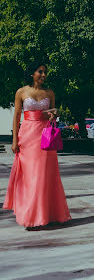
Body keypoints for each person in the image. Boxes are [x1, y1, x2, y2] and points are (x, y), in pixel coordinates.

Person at [3, 62, 72, 230]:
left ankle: (49, 214)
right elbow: (17, 116)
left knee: (45, 175)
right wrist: (14, 140)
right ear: (31, 73)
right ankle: (31, 216)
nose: (43, 75)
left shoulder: (49, 92)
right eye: (40, 71)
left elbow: (53, 116)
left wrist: (53, 114)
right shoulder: (21, 92)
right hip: (27, 136)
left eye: (45, 72)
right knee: (30, 176)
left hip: (45, 136)